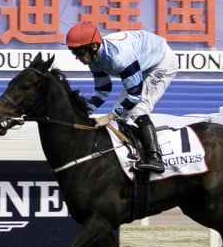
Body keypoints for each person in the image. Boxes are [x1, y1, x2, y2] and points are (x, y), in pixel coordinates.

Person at [64, 22, 179, 174]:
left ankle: (155, 159)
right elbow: (103, 90)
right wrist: (84, 112)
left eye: (79, 53)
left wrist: (108, 116)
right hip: (142, 62)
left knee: (138, 109)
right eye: (74, 53)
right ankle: (133, 154)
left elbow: (134, 96)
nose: (77, 58)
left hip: (161, 62)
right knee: (123, 116)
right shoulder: (94, 57)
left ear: (93, 47)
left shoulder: (119, 58)